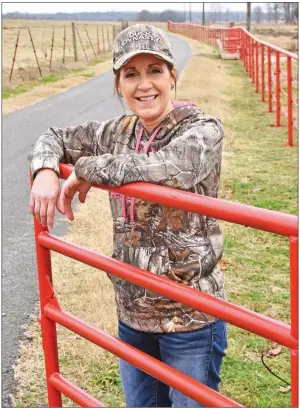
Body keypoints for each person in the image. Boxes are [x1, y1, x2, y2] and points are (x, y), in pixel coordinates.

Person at [29, 24, 227, 408]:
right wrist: (45, 171)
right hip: (132, 314)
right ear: (118, 84)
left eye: (155, 70)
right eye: (131, 74)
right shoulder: (116, 132)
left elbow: (167, 167)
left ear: (173, 76)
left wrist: (86, 168)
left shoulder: (202, 130)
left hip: (188, 319)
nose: (144, 84)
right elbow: (52, 136)